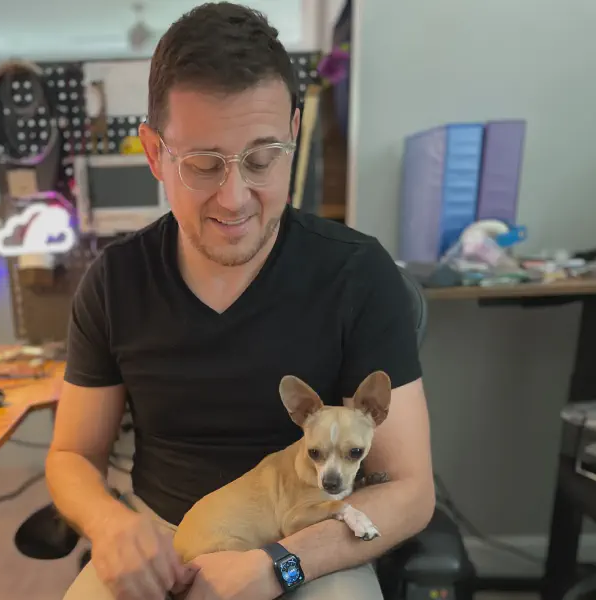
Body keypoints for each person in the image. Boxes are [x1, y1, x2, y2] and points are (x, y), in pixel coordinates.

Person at [47, 3, 435, 599]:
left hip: (312, 542)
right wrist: (111, 524)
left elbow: (411, 491)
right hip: (162, 536)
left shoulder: (358, 275)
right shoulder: (116, 281)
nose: (234, 199)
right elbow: (72, 453)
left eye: (261, 159)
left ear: (295, 136)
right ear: (155, 154)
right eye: (203, 164)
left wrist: (279, 563)